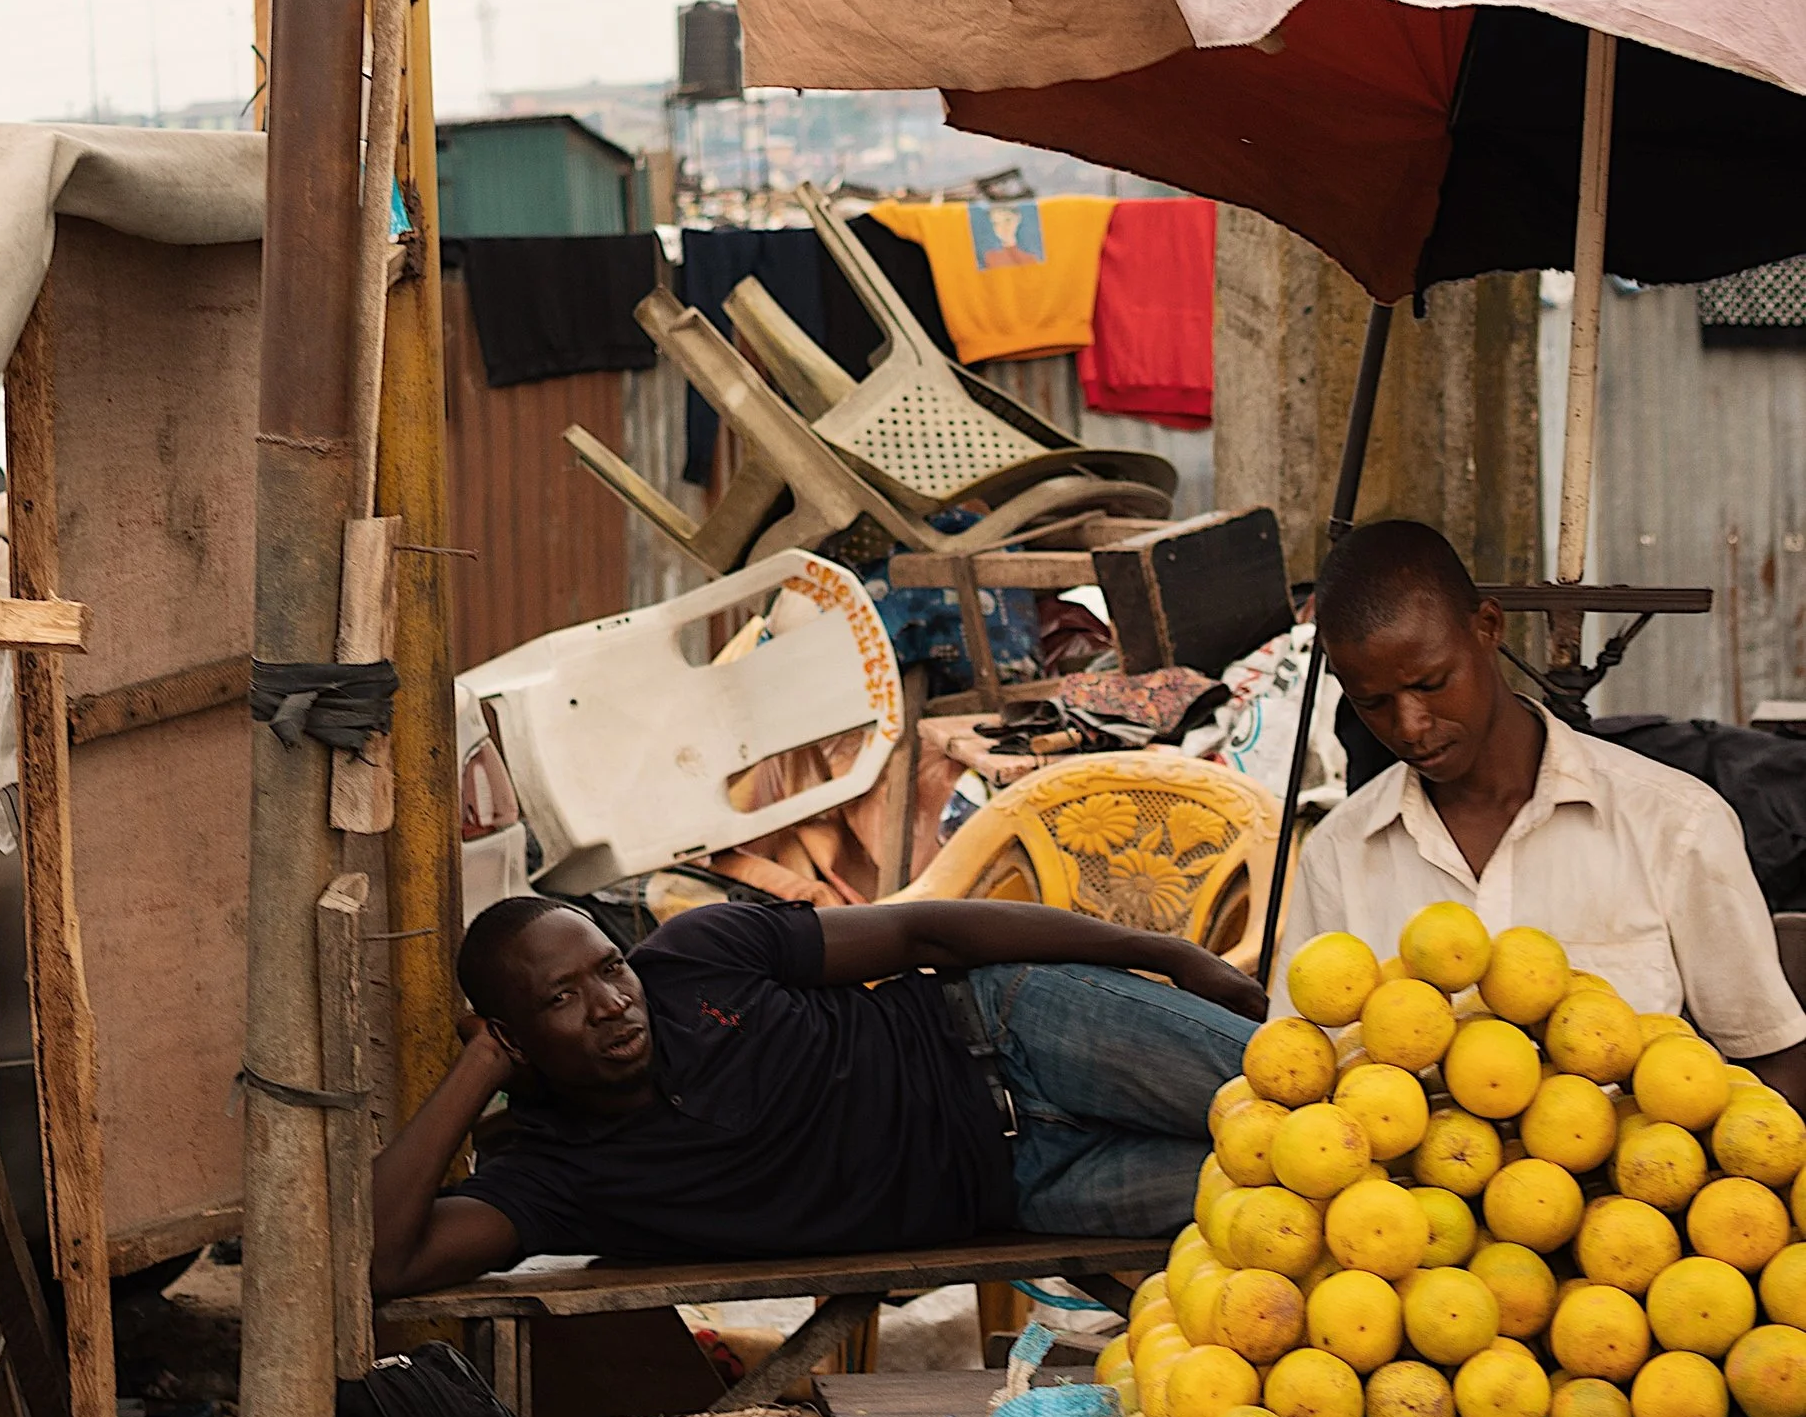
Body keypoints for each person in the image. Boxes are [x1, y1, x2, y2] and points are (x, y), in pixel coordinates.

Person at [367, 885, 1267, 1302]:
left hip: (1019, 1030)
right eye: (562, 999)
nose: (611, 1002)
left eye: (609, 967)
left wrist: (1173, 955)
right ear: (513, 1034)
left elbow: (927, 928)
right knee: (1298, 1185)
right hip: (1036, 1185)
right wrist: (480, 1067)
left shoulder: (694, 956)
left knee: (1327, 1110)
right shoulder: (554, 1174)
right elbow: (384, 1263)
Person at [1283, 518, 1806, 1101]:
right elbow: (1297, 1074)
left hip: (1641, 1184)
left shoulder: (1674, 826)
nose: (1410, 725)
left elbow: (1770, 1061)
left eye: (1431, 684)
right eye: (1373, 703)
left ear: (1487, 627)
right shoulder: (1338, 854)